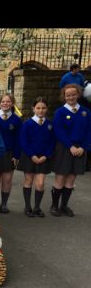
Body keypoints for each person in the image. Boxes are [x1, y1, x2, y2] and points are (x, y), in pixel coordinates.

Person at [50, 84, 91, 217]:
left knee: (71, 179)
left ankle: (64, 206)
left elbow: (89, 131)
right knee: (61, 177)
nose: (71, 97)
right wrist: (71, 146)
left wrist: (84, 147)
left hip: (80, 149)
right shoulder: (60, 112)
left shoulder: (86, 112)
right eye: (68, 95)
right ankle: (55, 206)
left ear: (78, 94)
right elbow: (58, 131)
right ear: (64, 96)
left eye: (73, 94)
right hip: (64, 148)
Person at [16, 97, 55, 217]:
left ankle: (37, 207)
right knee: (28, 181)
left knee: (40, 183)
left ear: (47, 109)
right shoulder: (27, 124)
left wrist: (46, 155)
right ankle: (28, 207)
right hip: (29, 157)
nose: (41, 110)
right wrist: (32, 155)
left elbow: (52, 142)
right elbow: (23, 141)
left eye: (43, 108)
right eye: (38, 108)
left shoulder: (49, 124)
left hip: (43, 158)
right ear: (33, 109)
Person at [0, 93, 22, 214]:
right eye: (3, 101)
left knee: (7, 179)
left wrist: (16, 155)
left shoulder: (16, 120)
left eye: (8, 101)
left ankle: (4, 204)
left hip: (9, 153)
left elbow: (19, 139)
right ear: (0, 103)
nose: (5, 103)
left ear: (12, 104)